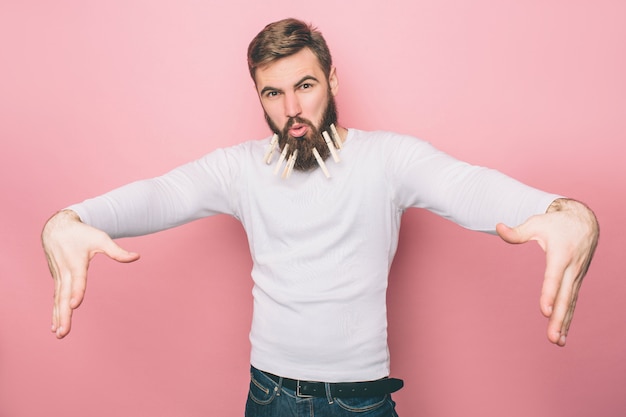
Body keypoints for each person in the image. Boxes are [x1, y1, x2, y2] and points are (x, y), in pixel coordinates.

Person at [41, 18, 599, 417]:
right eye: (274, 93)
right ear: (259, 98)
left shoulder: (388, 158)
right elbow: (160, 194)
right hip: (269, 399)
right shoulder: (240, 169)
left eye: (305, 86)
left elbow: (467, 184)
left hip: (363, 402)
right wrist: (68, 220)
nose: (292, 110)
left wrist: (564, 213)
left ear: (332, 80)